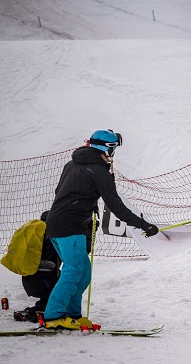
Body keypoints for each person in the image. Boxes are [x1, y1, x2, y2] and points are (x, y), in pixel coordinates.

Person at [42, 129, 159, 330]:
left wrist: (89, 204)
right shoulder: (99, 171)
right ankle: (54, 316)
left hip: (56, 223)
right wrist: (143, 225)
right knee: (73, 271)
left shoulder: (72, 164)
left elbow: (61, 191)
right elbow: (115, 205)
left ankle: (72, 314)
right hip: (70, 227)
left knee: (82, 272)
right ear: (108, 148)